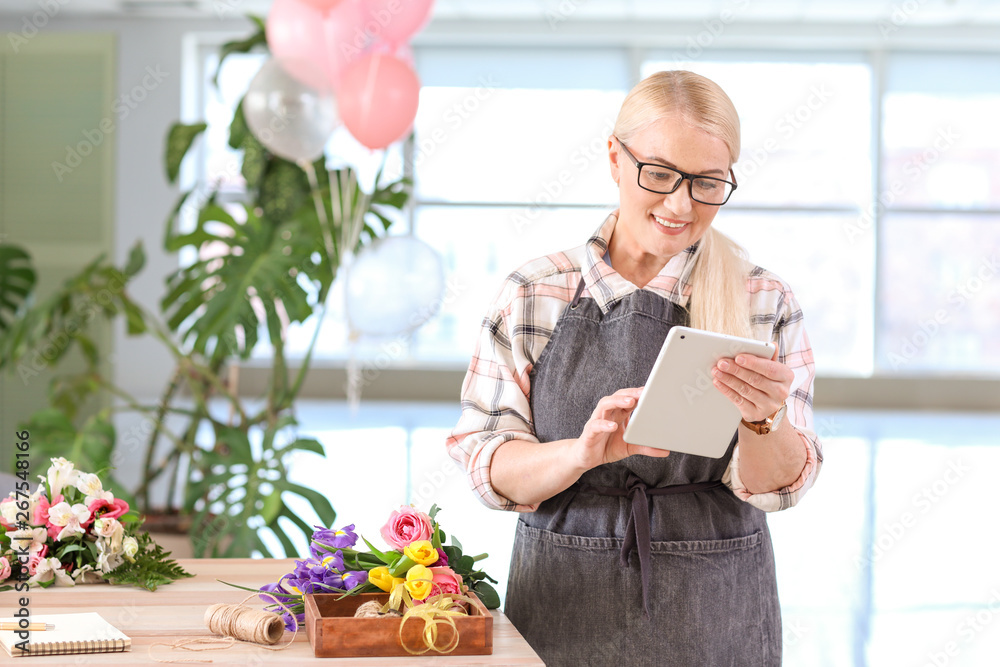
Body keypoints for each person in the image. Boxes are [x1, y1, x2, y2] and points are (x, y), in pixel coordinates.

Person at [445, 70, 823, 667]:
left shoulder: (762, 300)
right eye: (661, 174)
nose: (680, 204)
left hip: (717, 611)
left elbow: (783, 484)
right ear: (615, 159)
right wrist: (580, 453)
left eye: (706, 183)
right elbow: (489, 468)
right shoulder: (535, 292)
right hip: (561, 601)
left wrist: (762, 422)